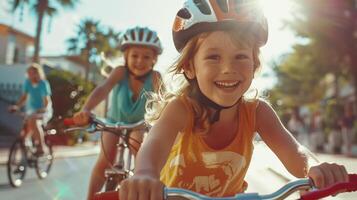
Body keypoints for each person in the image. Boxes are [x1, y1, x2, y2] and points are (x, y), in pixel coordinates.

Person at [119, 1, 350, 200]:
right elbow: (154, 147)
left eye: (240, 56)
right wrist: (145, 174)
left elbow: (295, 151)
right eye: (213, 57)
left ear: (254, 65)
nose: (229, 68)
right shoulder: (181, 108)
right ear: (189, 67)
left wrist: (315, 167)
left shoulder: (257, 112)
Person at [72, 26, 164, 199]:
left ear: (154, 60)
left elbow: (165, 102)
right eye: (134, 56)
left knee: (141, 152)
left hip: (140, 124)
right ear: (125, 57)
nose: (140, 61)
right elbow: (103, 89)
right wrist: (86, 109)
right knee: (105, 159)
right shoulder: (120, 72)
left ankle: (140, 187)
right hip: (114, 122)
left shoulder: (155, 77)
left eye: (146, 57)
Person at [9, 63, 53, 156]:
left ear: (38, 73)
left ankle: (41, 147)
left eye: (32, 73)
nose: (30, 75)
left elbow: (47, 100)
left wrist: (43, 109)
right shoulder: (27, 82)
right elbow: (24, 97)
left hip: (44, 110)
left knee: (34, 121)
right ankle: (23, 160)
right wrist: (17, 106)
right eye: (29, 73)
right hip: (32, 110)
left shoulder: (43, 84)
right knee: (24, 134)